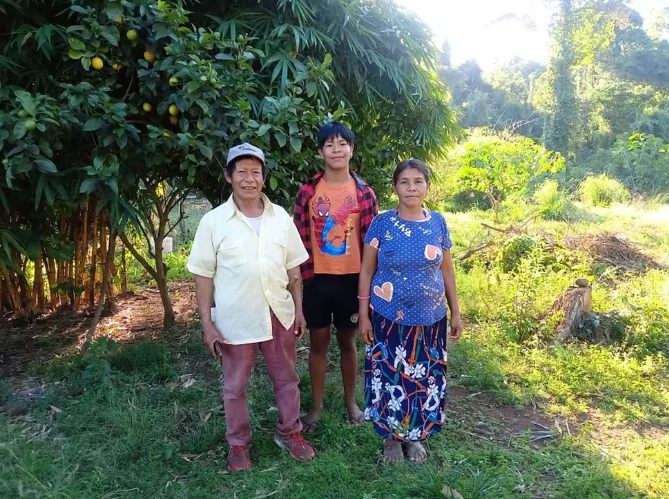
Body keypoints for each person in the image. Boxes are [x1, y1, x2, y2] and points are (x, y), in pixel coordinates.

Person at [187, 143, 316, 472]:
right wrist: (207, 323)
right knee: (235, 385)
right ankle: (238, 443)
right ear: (228, 176)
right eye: (241, 172)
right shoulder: (214, 222)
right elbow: (203, 275)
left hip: (279, 312)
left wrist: (299, 309)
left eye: (255, 172)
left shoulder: (280, 218)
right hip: (235, 318)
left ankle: (290, 432)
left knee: (287, 379)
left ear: (263, 177)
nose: (249, 179)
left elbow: (293, 269)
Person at [358, 159, 463, 463]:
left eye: (418, 181)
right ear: (395, 188)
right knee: (391, 376)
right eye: (404, 182)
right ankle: (392, 438)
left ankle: (414, 436)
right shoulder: (382, 223)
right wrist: (363, 315)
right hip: (387, 317)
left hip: (430, 319)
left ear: (427, 186)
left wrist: (455, 312)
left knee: (422, 380)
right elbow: (366, 271)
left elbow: (447, 270)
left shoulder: (438, 223)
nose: (411, 187)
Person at [293, 122, 378, 431]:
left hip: (351, 281)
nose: (337, 149)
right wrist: (304, 278)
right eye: (330, 145)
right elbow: (299, 238)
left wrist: (367, 287)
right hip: (318, 280)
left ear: (351, 150)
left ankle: (351, 403)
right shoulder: (308, 192)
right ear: (321, 152)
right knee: (318, 342)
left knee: (348, 342)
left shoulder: (364, 193)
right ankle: (315, 408)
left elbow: (372, 243)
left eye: (343, 143)